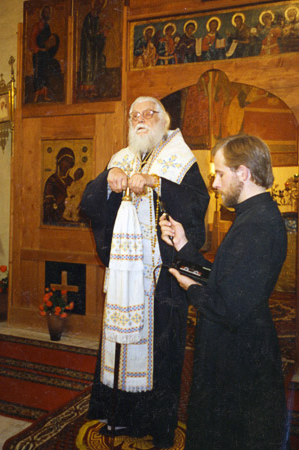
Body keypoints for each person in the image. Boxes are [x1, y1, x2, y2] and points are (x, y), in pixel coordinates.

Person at [80, 96, 209, 448]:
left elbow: (198, 205)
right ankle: (120, 418)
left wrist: (156, 183)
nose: (139, 120)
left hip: (160, 278)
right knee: (121, 346)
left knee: (161, 353)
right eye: (133, 115)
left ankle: (158, 425)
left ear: (162, 119)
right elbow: (88, 205)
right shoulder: (120, 158)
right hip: (125, 276)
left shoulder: (180, 159)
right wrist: (109, 180)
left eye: (147, 114)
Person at [160, 133, 289, 450]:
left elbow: (227, 306)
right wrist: (185, 247)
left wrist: (189, 288)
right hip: (236, 347)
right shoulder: (253, 216)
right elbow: (224, 279)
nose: (215, 184)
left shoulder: (258, 226)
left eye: (219, 174)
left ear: (243, 173)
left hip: (238, 356)